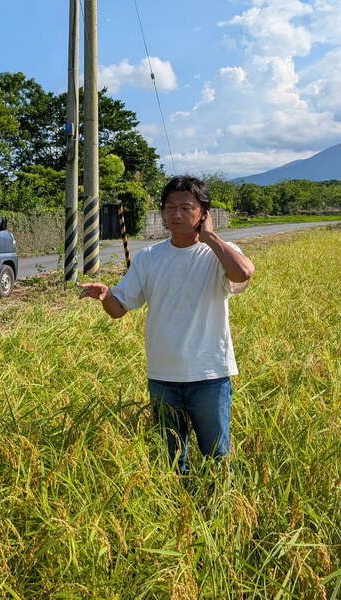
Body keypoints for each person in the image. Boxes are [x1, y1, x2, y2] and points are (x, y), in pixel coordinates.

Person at [79, 176, 255, 471]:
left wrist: (211, 237)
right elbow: (119, 308)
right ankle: (179, 510)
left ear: (204, 213)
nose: (176, 214)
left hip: (209, 375)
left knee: (217, 456)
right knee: (171, 459)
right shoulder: (150, 257)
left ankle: (218, 508)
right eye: (169, 207)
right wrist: (106, 295)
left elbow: (243, 273)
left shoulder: (220, 253)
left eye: (186, 207)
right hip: (163, 376)